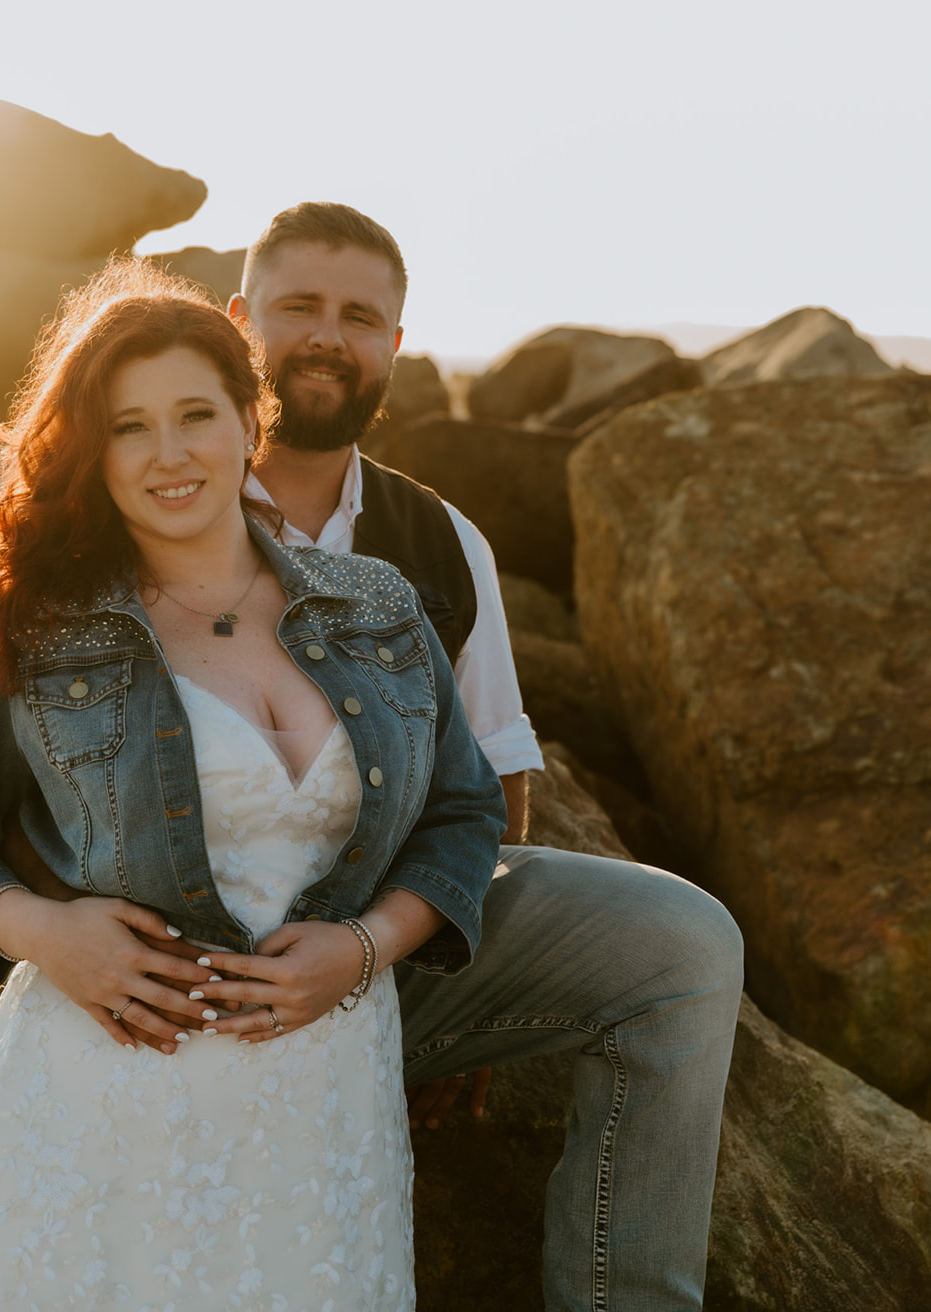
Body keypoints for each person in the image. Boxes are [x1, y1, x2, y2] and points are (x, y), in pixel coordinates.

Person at [0, 257, 507, 1311]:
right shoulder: (35, 624)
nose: (168, 454)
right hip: (101, 1100)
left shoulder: (377, 605)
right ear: (91, 449)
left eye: (194, 415)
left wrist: (365, 945)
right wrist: (48, 933)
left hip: (326, 1098)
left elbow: (463, 811)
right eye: (128, 427)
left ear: (246, 421)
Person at [223, 203, 745, 1312]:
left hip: (387, 958)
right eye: (298, 307)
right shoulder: (158, 503)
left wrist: (447, 964)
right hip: (191, 971)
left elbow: (496, 777)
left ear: (396, 351)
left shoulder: (446, 543)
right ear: (237, 323)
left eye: (361, 316)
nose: (328, 335)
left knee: (683, 947)